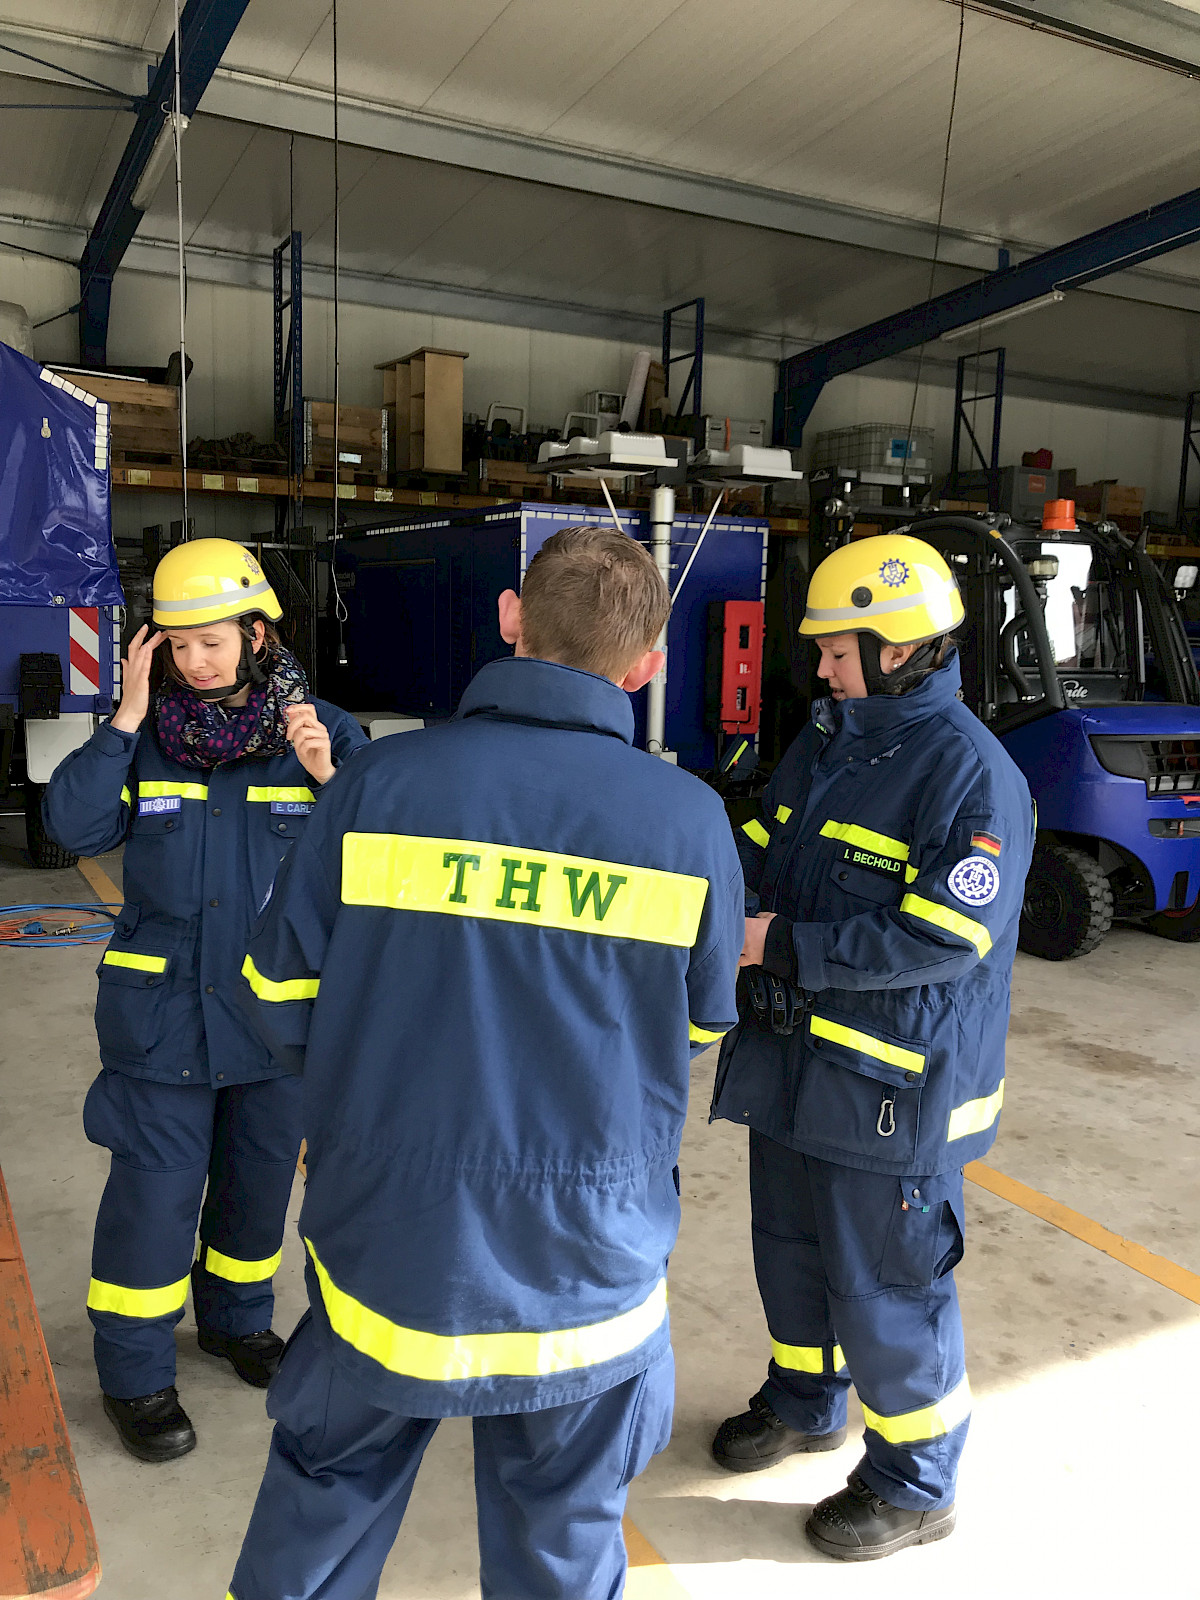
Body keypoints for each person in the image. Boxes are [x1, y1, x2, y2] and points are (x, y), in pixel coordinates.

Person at [225, 524, 743, 1600]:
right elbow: (695, 1028)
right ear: (647, 664)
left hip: (389, 1245)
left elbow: (275, 991)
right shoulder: (692, 822)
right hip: (586, 1267)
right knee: (562, 1536)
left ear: (509, 620)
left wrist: (361, 1100)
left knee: (324, 1497)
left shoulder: (377, 786)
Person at [709, 532, 1034, 1560]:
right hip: (796, 1068)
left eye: (837, 650)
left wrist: (779, 945)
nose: (820, 668)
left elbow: (942, 936)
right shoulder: (833, 739)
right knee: (792, 1253)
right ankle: (806, 1399)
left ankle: (915, 1480)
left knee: (888, 1287)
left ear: (897, 648)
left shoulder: (972, 779)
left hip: (891, 1090)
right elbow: (766, 840)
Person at [43, 538, 368, 1463]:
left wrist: (331, 786)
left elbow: (377, 865)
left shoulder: (325, 732)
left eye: (213, 641)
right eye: (178, 645)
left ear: (258, 634)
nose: (195, 661)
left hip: (274, 1021)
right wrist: (120, 720)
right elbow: (72, 827)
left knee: (258, 1189)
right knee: (154, 1201)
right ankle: (136, 1375)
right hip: (163, 1021)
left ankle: (235, 1320)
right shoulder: (142, 736)